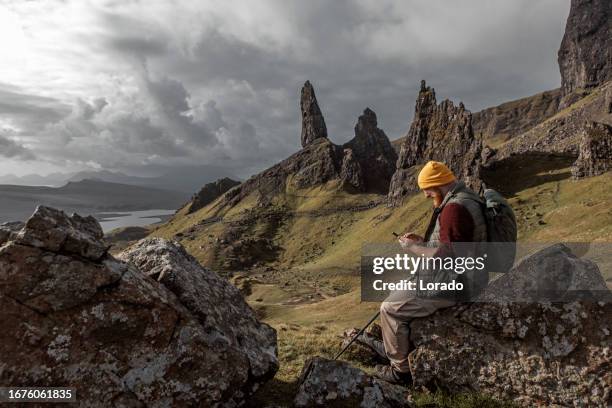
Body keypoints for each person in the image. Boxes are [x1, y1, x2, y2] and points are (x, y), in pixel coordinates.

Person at [359, 160, 488, 385]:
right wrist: (424, 242)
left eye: (427, 189)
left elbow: (451, 256)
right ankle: (398, 349)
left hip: (456, 285)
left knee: (389, 308)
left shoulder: (453, 209)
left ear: (437, 184)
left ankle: (400, 372)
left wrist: (414, 248)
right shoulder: (465, 198)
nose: (427, 195)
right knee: (399, 291)